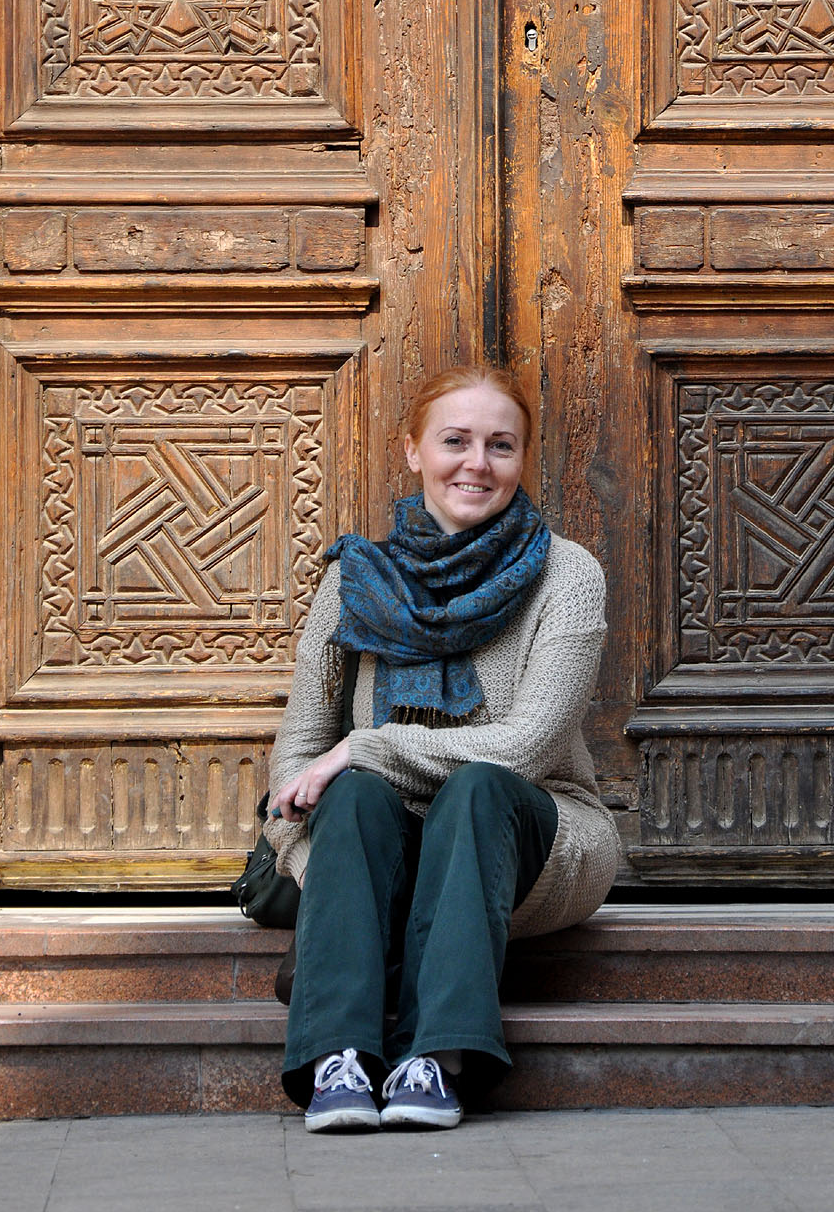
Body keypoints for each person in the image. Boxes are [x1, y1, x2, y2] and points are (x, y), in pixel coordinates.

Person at [266, 365, 620, 1131]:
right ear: (413, 451)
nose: (477, 463)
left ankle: (441, 1057)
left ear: (522, 459)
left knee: (476, 787)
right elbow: (295, 764)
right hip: (383, 848)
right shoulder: (352, 581)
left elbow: (526, 747)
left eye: (501, 445)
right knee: (354, 795)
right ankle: (341, 1060)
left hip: (534, 831)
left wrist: (368, 745)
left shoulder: (568, 574)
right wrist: (339, 880)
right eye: (455, 441)